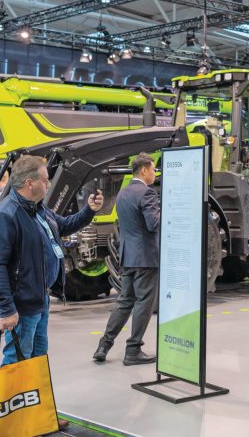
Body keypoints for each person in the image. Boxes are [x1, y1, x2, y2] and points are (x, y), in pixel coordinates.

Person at [0, 155, 103, 364]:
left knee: (38, 357)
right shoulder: (6, 215)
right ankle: (16, 387)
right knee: (18, 360)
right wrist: (6, 309)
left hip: (40, 298)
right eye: (45, 180)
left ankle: (34, 387)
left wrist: (89, 211)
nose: (48, 184)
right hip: (22, 304)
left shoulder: (38, 209)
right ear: (30, 183)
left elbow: (64, 225)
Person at [93, 153, 160, 365]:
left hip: (127, 256)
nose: (154, 173)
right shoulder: (147, 193)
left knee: (124, 301)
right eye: (153, 169)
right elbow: (153, 224)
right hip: (146, 257)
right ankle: (133, 350)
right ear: (144, 170)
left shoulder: (123, 193)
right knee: (143, 303)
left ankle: (104, 345)